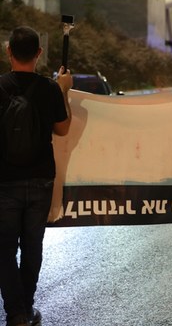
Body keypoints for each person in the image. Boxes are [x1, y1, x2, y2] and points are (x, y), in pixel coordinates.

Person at [0, 26, 72, 326]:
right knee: (33, 245)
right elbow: (63, 129)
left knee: (4, 248)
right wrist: (64, 89)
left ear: (8, 52)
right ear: (39, 53)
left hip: (4, 180)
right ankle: (26, 308)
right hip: (41, 178)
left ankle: (16, 312)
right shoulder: (49, 88)